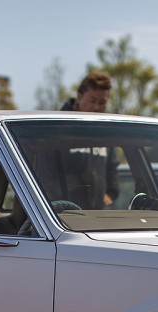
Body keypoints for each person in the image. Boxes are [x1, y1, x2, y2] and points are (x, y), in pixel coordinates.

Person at [55, 71, 119, 209]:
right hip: (60, 215)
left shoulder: (105, 134)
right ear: (79, 97)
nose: (96, 107)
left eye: (102, 102)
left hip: (96, 217)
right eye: (92, 101)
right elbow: (44, 173)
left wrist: (111, 194)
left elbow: (112, 168)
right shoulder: (58, 128)